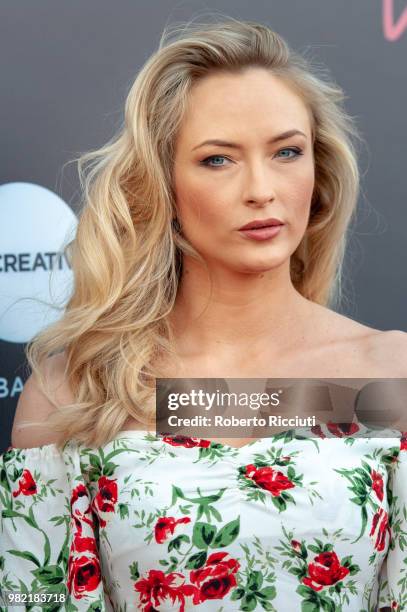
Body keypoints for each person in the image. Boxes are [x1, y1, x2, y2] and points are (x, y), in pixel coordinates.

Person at [1, 17, 406, 612]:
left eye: (287, 152)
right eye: (219, 160)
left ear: (318, 173)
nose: (262, 189)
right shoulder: (72, 390)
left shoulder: (390, 371)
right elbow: (31, 599)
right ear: (162, 183)